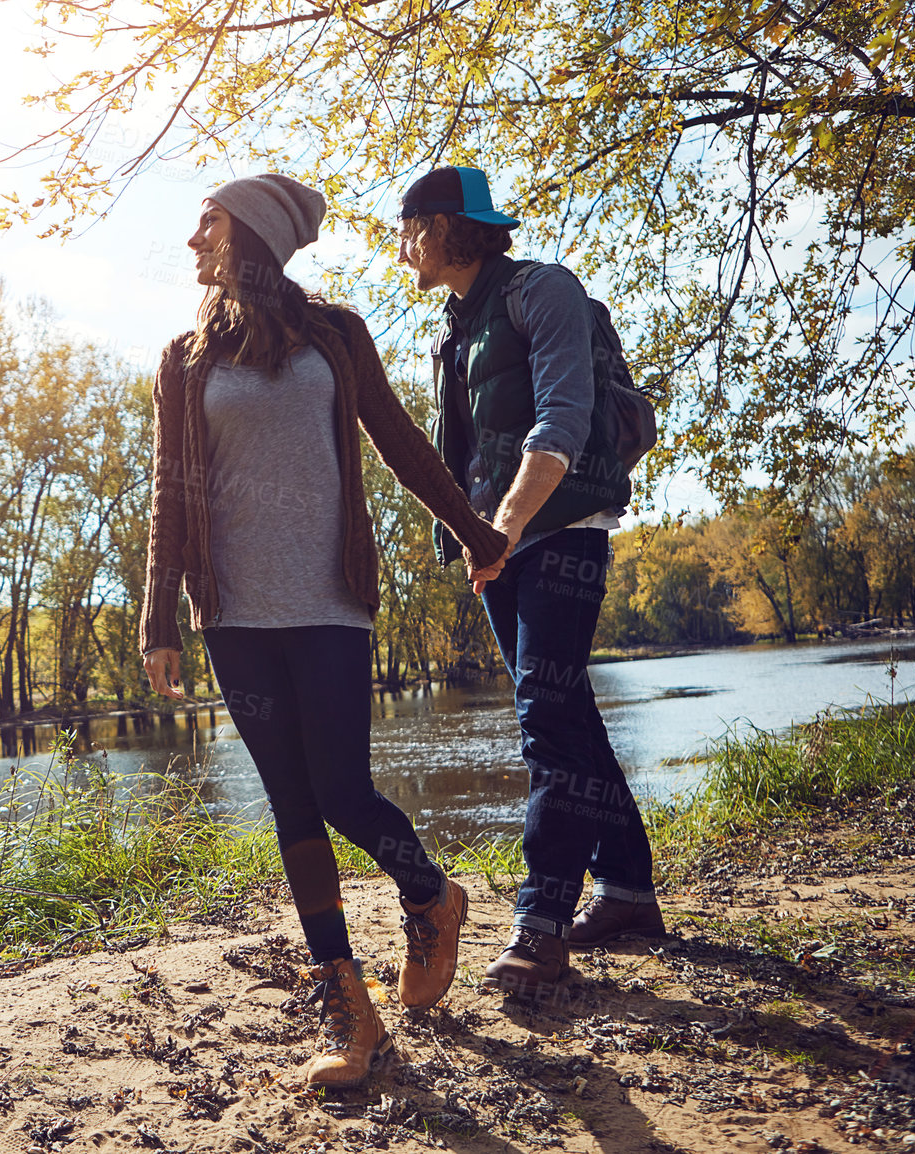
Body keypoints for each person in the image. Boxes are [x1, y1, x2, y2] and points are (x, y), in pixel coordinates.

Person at [139, 174, 510, 1090]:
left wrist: (477, 532)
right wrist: (160, 620)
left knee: (343, 788)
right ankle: (346, 1001)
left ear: (254, 234)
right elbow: (170, 492)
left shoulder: (337, 334)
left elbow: (398, 439)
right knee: (291, 805)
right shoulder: (185, 358)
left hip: (332, 601)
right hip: (234, 616)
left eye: (209, 225)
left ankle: (430, 894)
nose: (193, 244)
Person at [396, 165, 666, 998]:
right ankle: (626, 894)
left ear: (445, 227)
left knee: (546, 721)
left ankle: (541, 923)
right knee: (566, 713)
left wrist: (500, 530)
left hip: (558, 532)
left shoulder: (541, 289)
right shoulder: (457, 324)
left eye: (408, 228)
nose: (401, 246)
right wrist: (476, 539)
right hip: (501, 546)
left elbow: (562, 419)